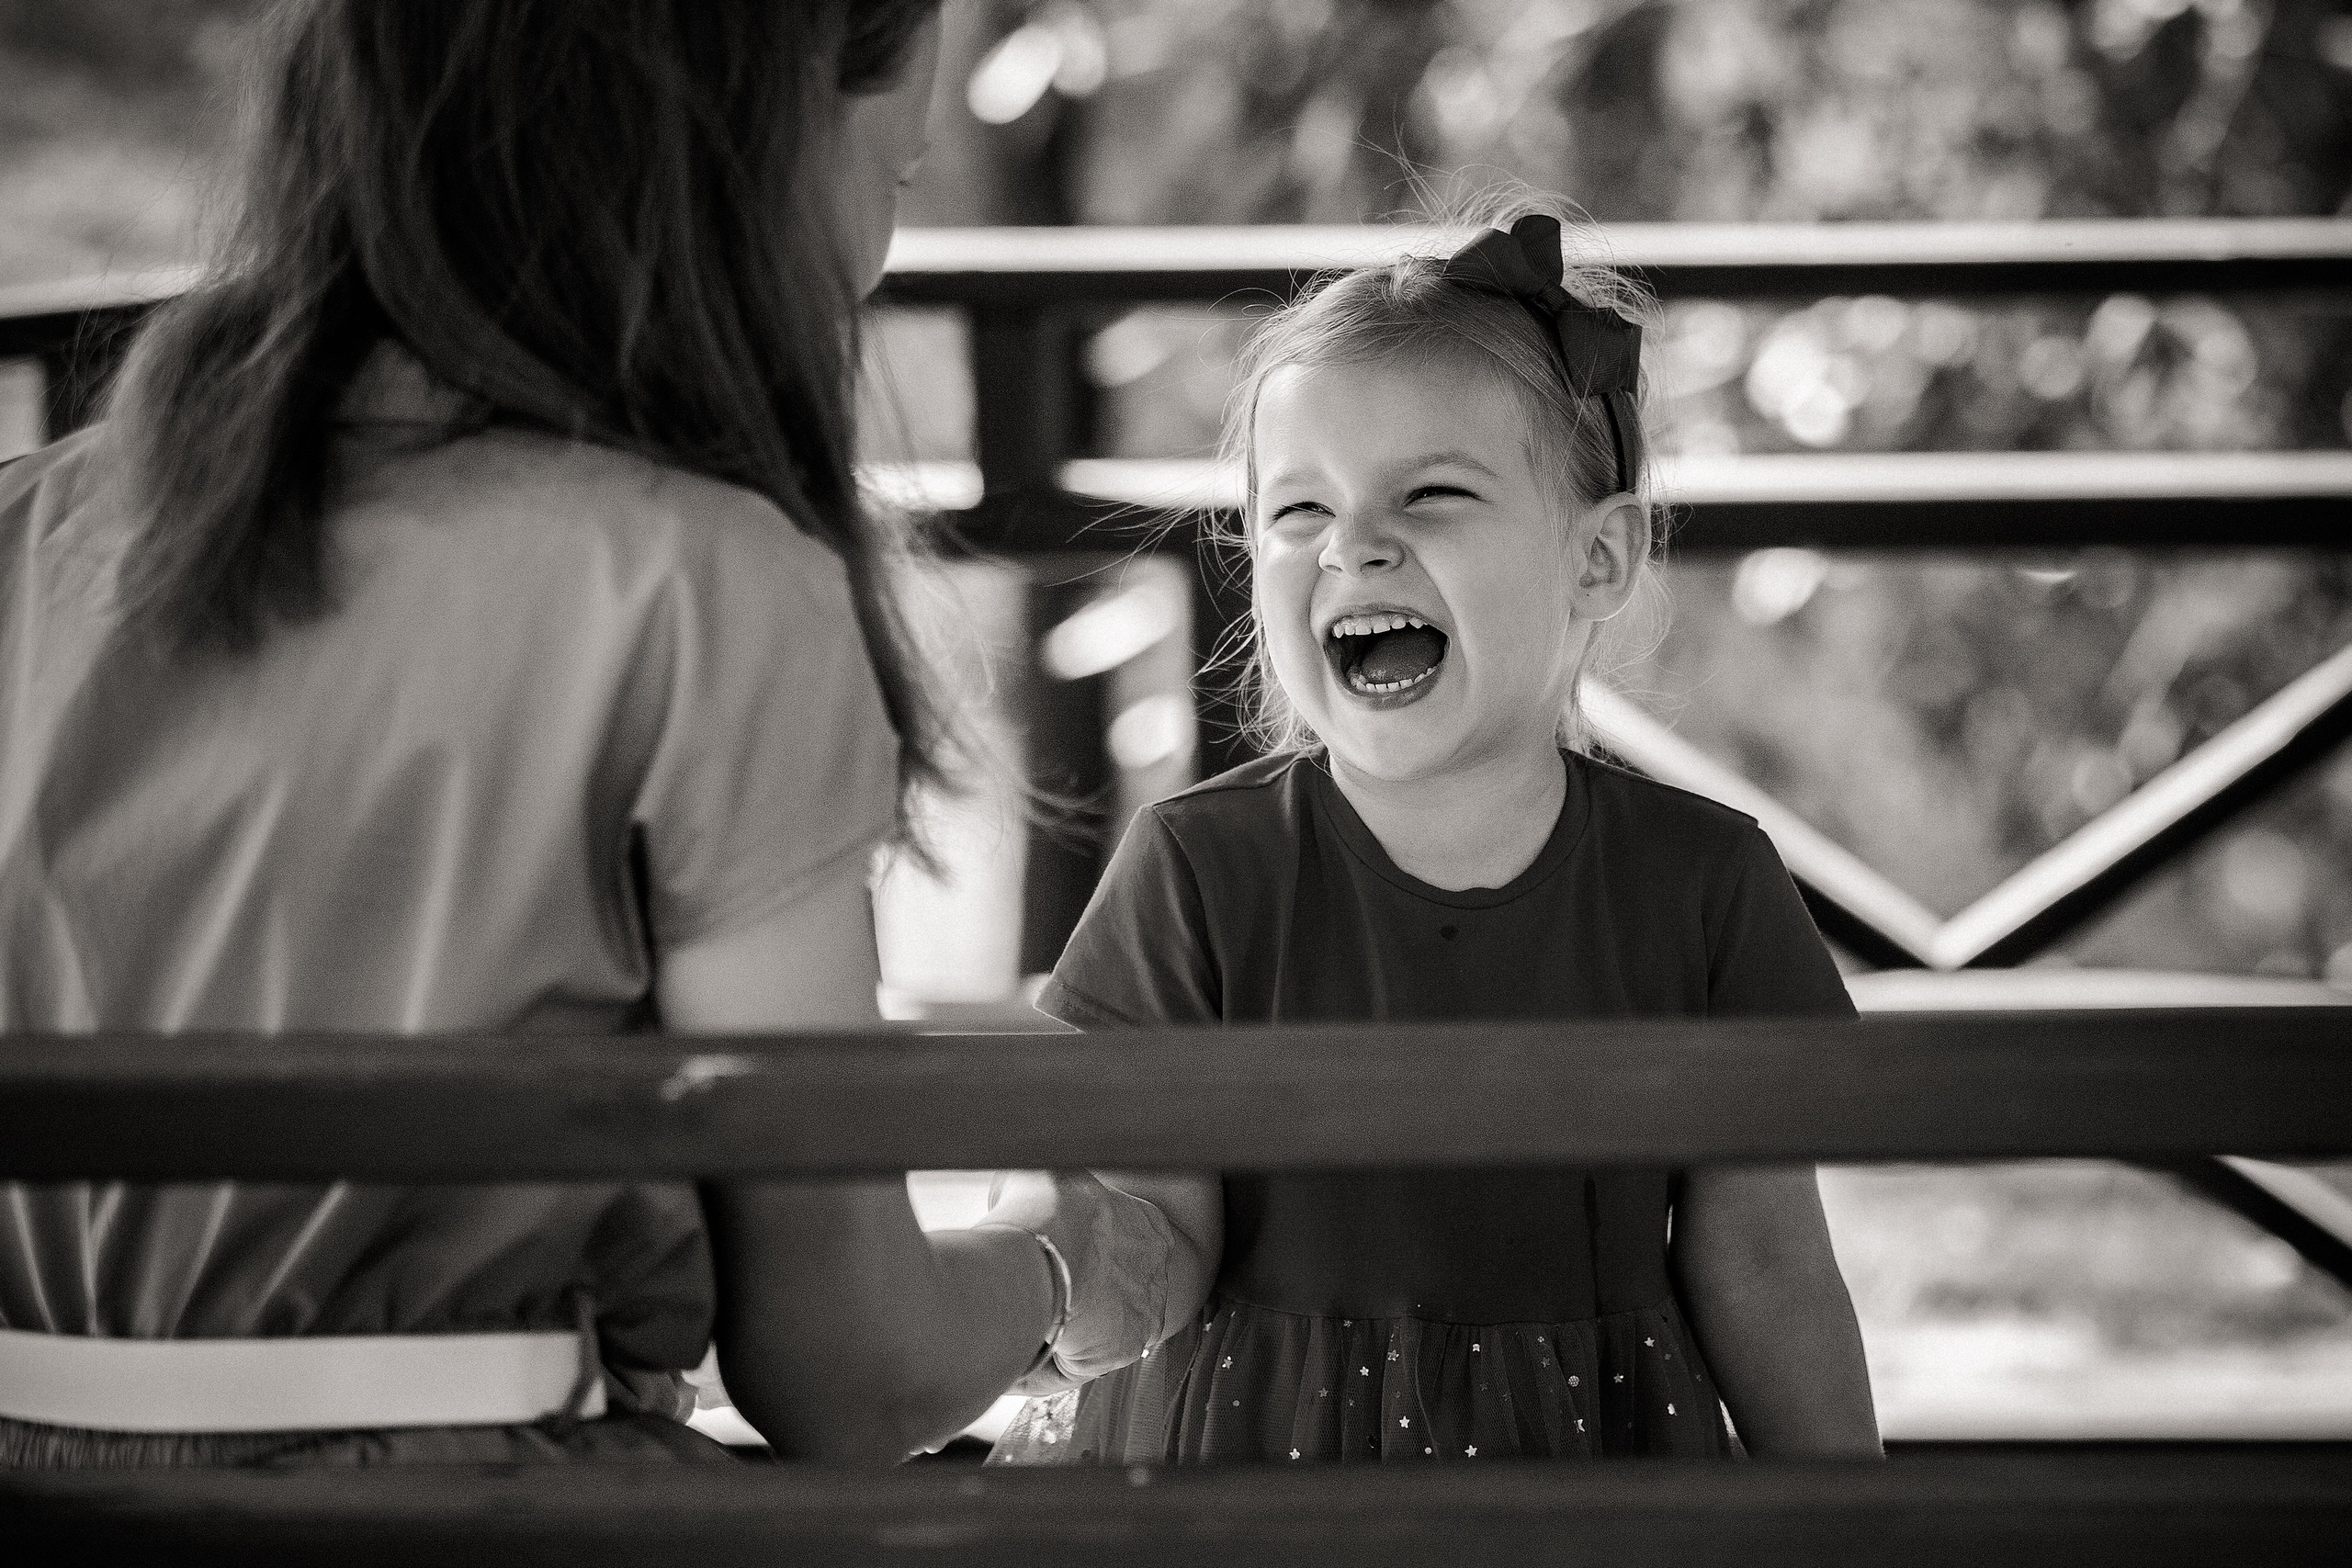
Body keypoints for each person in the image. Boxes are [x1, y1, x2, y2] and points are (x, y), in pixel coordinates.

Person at [0, 0, 1057, 1467]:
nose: (869, 265)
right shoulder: (709, 589)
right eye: (891, 177)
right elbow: (847, 1366)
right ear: (743, 162)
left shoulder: (26, 528)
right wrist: (1069, 1269)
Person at [983, 204, 1883, 1465]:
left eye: (1434, 493)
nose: (1354, 544)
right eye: (1299, 511)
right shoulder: (1199, 872)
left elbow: (1768, 1267)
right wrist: (1052, 1266)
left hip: (1588, 1476)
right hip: (1253, 1483)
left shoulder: (1703, 882)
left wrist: (1854, 1525)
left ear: (1599, 557)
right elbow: (1158, 1241)